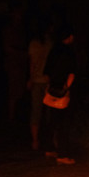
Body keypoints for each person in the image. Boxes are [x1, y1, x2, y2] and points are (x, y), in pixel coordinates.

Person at [42, 24, 78, 165]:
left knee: (52, 121)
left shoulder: (54, 50)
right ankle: (63, 154)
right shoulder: (69, 52)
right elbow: (71, 73)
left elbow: (46, 72)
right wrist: (66, 88)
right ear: (69, 37)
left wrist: (50, 86)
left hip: (52, 90)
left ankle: (49, 148)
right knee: (63, 123)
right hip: (62, 90)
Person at [27, 18, 52, 151]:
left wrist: (30, 79)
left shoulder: (34, 43)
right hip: (47, 81)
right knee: (48, 112)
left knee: (36, 111)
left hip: (37, 80)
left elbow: (32, 64)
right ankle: (49, 139)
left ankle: (35, 140)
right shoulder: (50, 43)